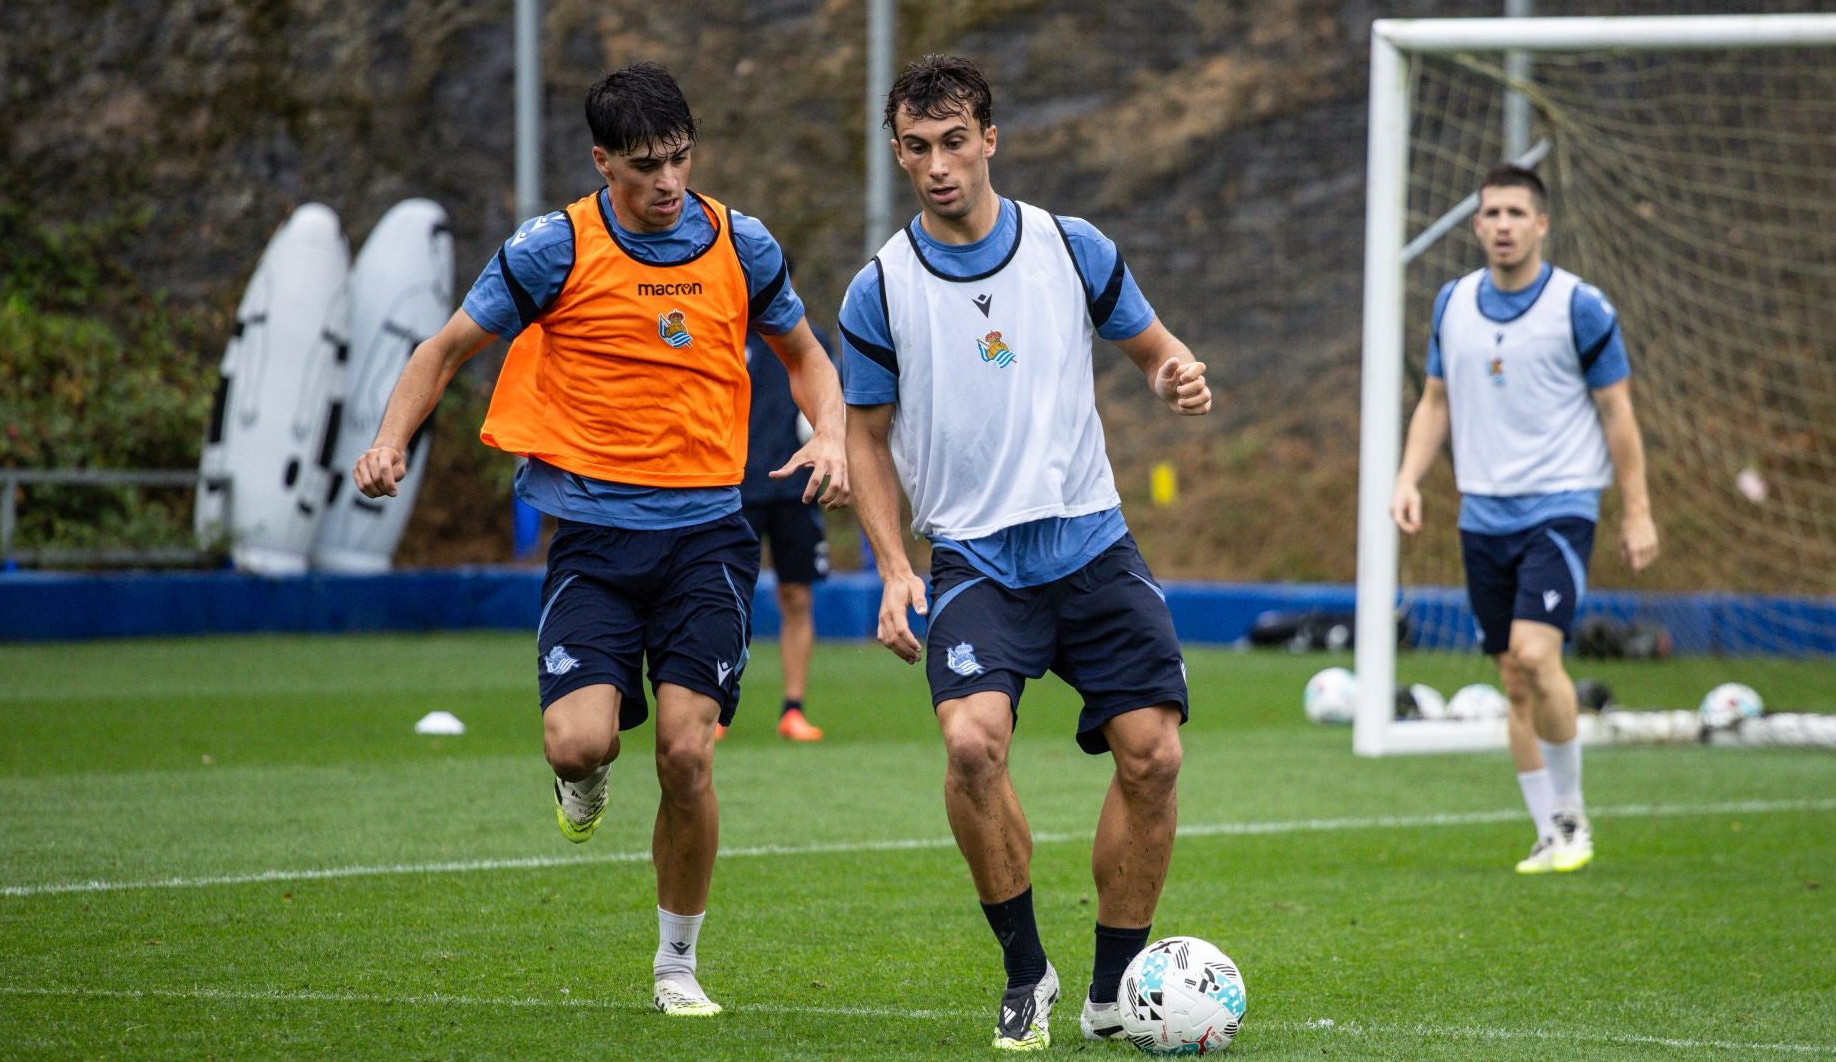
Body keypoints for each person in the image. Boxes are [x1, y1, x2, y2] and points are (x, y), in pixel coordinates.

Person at [352, 63, 847, 1017]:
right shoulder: (555, 250)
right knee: (578, 745)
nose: (667, 182)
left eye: (679, 159)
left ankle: (675, 966)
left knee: (687, 755)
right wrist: (389, 440)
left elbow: (807, 357)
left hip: (710, 536)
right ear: (601, 161)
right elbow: (444, 349)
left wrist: (827, 432)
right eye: (644, 165)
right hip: (593, 541)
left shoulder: (740, 245)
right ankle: (582, 781)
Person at [839, 55, 1211, 1051]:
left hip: (1091, 542)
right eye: (915, 148)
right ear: (898, 153)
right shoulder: (882, 287)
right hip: (975, 560)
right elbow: (862, 437)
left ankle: (1109, 990)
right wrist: (891, 566)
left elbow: (1154, 347)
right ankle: (1025, 972)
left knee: (1155, 756)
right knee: (971, 746)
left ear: (990, 138)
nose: (937, 166)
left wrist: (1176, 373)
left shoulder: (1069, 247)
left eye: (954, 141)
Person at [1391, 163, 1657, 875]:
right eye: (1491, 213)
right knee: (1514, 677)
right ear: (1475, 226)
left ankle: (1573, 818)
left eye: (1516, 212)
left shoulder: (1581, 307)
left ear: (1542, 224)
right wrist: (1409, 478)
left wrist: (1636, 511)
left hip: (1561, 507)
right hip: (1483, 516)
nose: (1503, 225)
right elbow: (1436, 401)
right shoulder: (1453, 303)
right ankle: (1549, 835)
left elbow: (1618, 412)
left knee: (1540, 657)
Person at [718, 326, 835, 743]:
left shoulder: (810, 341)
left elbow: (827, 411)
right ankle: (714, 706)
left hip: (794, 489)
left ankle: (793, 709)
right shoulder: (725, 332)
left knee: (798, 596)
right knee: (726, 600)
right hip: (735, 487)